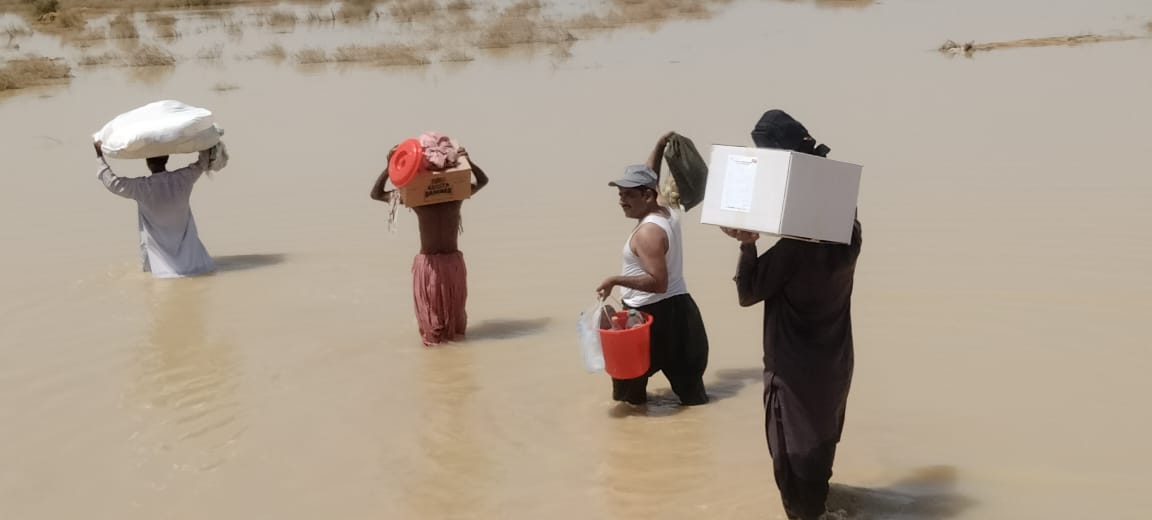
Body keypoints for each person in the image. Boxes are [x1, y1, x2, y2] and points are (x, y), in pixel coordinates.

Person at [720, 109, 862, 520]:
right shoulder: (849, 236)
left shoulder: (792, 252)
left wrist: (747, 245)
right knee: (819, 462)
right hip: (834, 366)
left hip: (794, 376)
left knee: (795, 481)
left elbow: (748, 293)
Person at [595, 133, 710, 407]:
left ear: (648, 195)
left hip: (648, 318)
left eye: (629, 195)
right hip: (681, 314)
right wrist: (659, 147)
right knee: (692, 394)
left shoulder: (647, 233)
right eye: (620, 194)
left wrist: (614, 279)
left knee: (631, 404)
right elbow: (650, 176)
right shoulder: (667, 210)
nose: (622, 201)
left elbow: (658, 282)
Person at [370, 146, 489, 346]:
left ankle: (445, 367)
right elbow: (376, 194)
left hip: (449, 263)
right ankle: (443, 367)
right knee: (432, 325)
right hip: (433, 266)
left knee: (455, 322)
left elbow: (377, 194)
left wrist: (467, 160)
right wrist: (389, 167)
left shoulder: (442, 195)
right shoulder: (438, 195)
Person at [94, 141, 216, 278]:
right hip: (195, 263)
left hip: (161, 269)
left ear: (147, 163)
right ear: (167, 158)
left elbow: (113, 183)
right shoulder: (183, 178)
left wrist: (100, 156)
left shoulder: (142, 188)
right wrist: (206, 142)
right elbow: (203, 163)